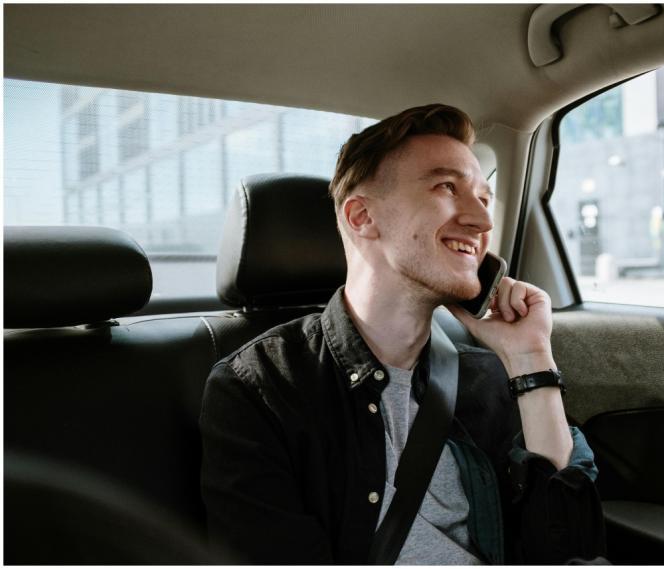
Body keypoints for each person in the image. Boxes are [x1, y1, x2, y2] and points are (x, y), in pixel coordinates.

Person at [199, 104, 606, 564]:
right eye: (446, 187)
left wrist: (530, 358)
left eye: (484, 197)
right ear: (361, 217)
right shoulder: (262, 388)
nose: (483, 220)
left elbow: (570, 550)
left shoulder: (487, 378)